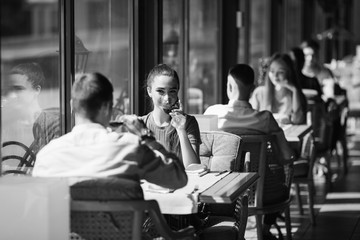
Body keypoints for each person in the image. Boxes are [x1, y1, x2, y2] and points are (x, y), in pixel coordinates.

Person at [33, 72, 187, 190]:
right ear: (107, 107)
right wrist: (146, 137)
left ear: (72, 105)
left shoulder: (46, 156)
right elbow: (178, 178)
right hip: (123, 232)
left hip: (65, 232)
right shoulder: (130, 148)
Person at [204, 64, 295, 240]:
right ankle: (265, 231)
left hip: (222, 190)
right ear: (252, 89)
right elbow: (286, 156)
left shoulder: (213, 113)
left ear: (229, 87)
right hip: (259, 192)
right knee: (282, 187)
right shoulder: (265, 119)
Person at [141, 63, 201, 167]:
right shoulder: (140, 124)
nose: (167, 98)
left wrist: (181, 130)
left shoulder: (188, 122)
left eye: (172, 91)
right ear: (149, 91)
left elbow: (193, 167)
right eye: (161, 91)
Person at [2, 62, 60, 154]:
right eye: (10, 89)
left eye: (19, 89)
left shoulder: (53, 125)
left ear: (36, 90)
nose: (12, 95)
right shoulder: (6, 125)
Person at [250, 53, 307, 125]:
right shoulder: (259, 93)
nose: (275, 76)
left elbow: (297, 120)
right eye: (272, 71)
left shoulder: (293, 93)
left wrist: (295, 90)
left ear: (289, 73)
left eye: (280, 72)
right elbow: (252, 121)